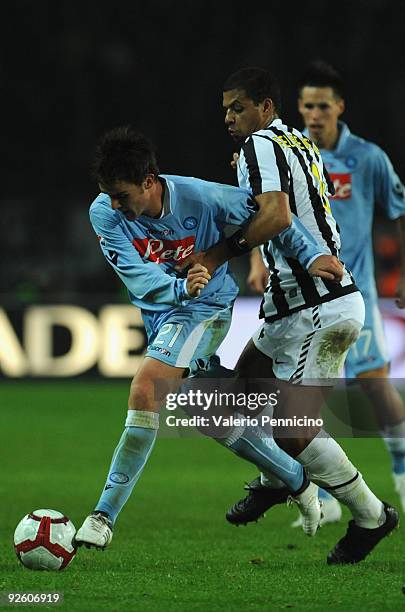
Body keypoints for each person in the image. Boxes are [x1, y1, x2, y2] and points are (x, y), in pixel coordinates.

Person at [74, 126, 340, 549]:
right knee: (207, 412)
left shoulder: (203, 198)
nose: (114, 204)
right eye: (108, 194)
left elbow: (271, 215)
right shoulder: (104, 212)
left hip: (207, 308)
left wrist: (311, 254)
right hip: (165, 310)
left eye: (122, 195)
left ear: (149, 182)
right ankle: (296, 479)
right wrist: (179, 287)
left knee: (146, 388)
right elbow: (135, 274)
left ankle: (102, 517)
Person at [176, 67, 399, 564]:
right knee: (242, 387)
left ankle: (370, 515)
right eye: (226, 110)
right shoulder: (296, 142)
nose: (231, 118)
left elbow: (276, 214)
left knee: (292, 429)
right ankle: (276, 478)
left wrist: (214, 256)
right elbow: (290, 208)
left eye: (240, 108)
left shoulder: (260, 146)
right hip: (293, 305)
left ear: (267, 108)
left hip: (320, 306)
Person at [247, 60, 405, 527]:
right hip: (302, 294)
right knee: (299, 400)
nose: (313, 114)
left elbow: (397, 209)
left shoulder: (368, 158)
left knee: (375, 388)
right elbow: (265, 211)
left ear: (339, 107)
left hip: (355, 290)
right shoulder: (289, 152)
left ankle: (399, 470)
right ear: (296, 108)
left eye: (322, 105)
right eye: (306, 105)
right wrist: (257, 261)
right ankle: (321, 495)